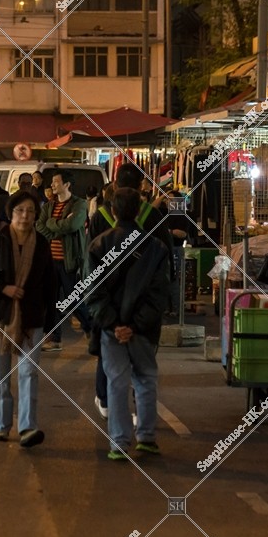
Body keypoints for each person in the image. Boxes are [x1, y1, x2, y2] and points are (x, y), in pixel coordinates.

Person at [85, 188, 172, 460]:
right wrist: (135, 324)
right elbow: (160, 294)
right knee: (145, 379)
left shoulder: (99, 245)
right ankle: (146, 438)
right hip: (144, 330)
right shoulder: (156, 248)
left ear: (112, 211)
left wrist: (114, 325)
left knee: (117, 383)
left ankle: (119, 444)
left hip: (112, 332)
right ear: (138, 210)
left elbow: (93, 293)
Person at [0, 190, 55, 447]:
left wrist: (51, 324)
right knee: (0, 373)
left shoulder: (42, 244)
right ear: (11, 212)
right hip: (1, 316)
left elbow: (51, 284)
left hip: (32, 317)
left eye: (30, 212)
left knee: (29, 373)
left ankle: (27, 427)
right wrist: (2, 289)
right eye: (20, 211)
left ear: (36, 216)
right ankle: (2, 425)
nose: (25, 216)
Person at [36, 168, 88, 353]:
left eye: (56, 182)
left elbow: (73, 225)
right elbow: (39, 225)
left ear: (66, 184)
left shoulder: (79, 204)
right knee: (51, 301)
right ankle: (54, 339)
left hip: (70, 261)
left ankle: (94, 330)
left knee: (74, 300)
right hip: (50, 262)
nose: (52, 185)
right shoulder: (48, 206)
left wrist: (53, 224)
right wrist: (59, 227)